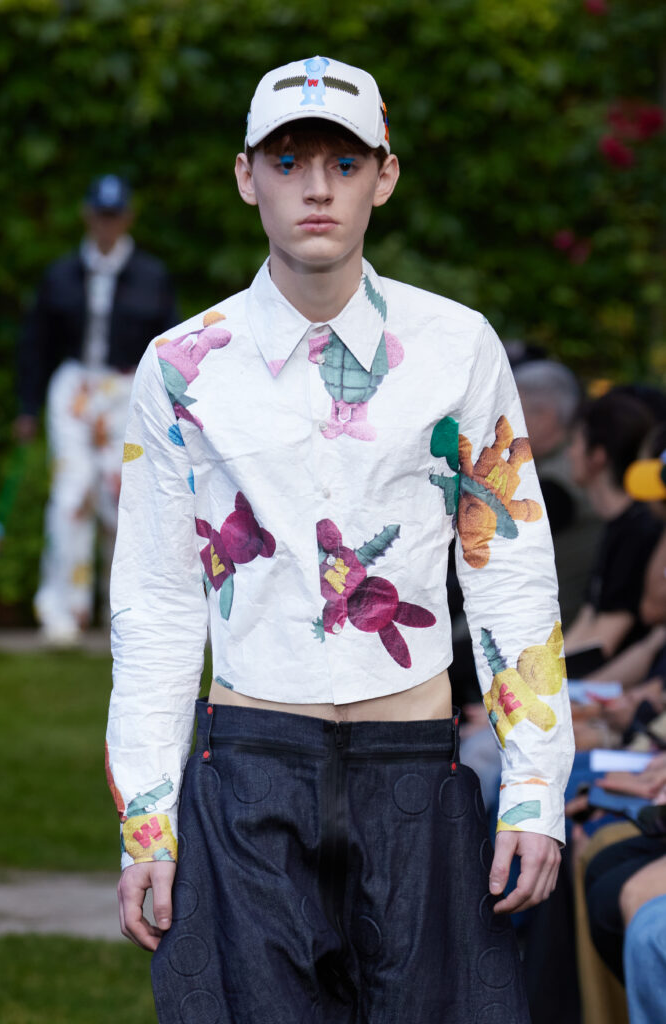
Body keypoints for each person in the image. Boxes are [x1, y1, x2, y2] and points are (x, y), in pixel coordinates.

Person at [106, 58, 574, 1023]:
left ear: (383, 177)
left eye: (343, 162)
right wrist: (146, 818)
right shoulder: (182, 367)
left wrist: (533, 786)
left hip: (413, 765)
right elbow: (155, 599)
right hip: (249, 762)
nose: (315, 187)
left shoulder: (456, 348)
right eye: (288, 161)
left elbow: (508, 570)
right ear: (247, 176)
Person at [17, 175, 178, 645]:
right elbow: (36, 345)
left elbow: (169, 346)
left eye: (115, 215)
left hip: (126, 389)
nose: (107, 225)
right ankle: (61, 611)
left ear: (127, 217)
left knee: (122, 495)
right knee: (71, 493)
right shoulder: (61, 274)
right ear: (88, 216)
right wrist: (27, 407)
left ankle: (122, 610)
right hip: (73, 387)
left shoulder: (152, 276)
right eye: (100, 215)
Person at [564, 390, 661, 672]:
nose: (569, 453)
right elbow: (589, 617)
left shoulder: (639, 529)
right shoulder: (618, 524)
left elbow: (603, 641)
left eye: (575, 442)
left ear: (598, 456)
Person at [514, 359, 600, 627]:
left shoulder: (559, 482)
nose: (501, 423)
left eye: (511, 411)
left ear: (546, 416)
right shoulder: (554, 467)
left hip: (545, 629)